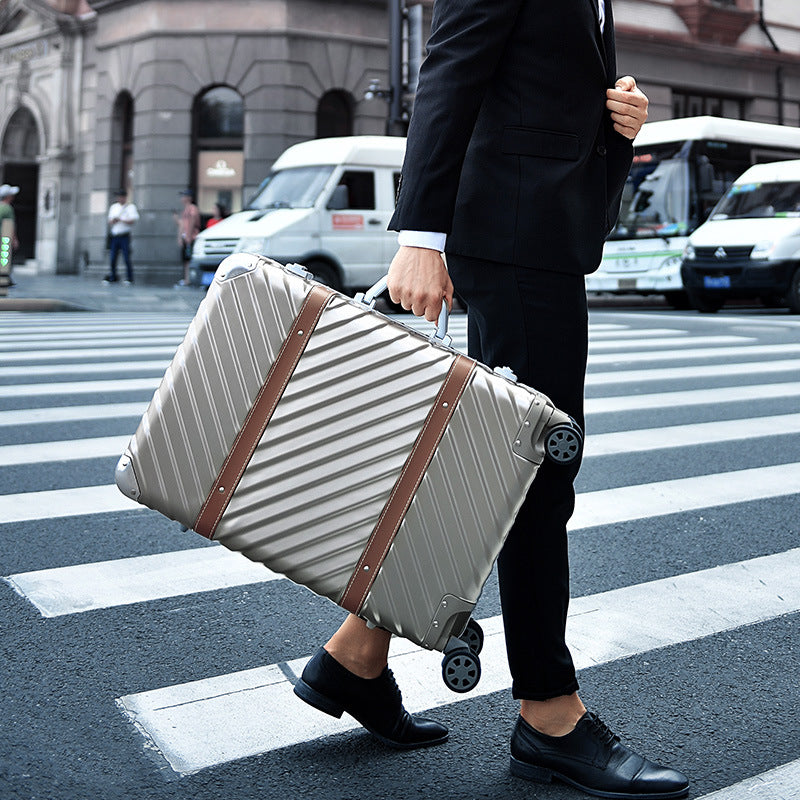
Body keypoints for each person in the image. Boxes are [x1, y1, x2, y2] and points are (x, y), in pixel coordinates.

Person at [293, 1, 690, 798]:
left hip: (537, 232)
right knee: (539, 473)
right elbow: (448, 72)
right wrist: (420, 236)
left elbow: (535, 84)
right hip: (510, 237)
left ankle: (356, 656)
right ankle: (549, 713)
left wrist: (619, 122)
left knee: (492, 468)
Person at [104, 189, 139, 284]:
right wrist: (114, 220)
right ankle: (113, 276)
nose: (119, 198)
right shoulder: (114, 207)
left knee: (126, 256)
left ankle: (129, 277)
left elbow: (133, 220)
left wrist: (121, 219)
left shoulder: (130, 207)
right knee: (113, 257)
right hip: (115, 235)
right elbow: (109, 221)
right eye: (118, 197)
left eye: (121, 196)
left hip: (124, 235)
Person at [175, 189, 201, 286]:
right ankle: (186, 279)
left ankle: (189, 279)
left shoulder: (192, 208)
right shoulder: (186, 209)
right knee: (185, 259)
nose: (182, 198)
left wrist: (189, 236)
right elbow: (182, 224)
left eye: (184, 196)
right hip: (186, 237)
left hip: (191, 237)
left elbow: (192, 222)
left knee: (189, 258)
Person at [0, 184, 19, 287]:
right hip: (4, 238)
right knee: (5, 259)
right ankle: (5, 278)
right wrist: (14, 239)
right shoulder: (7, 208)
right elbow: (10, 225)